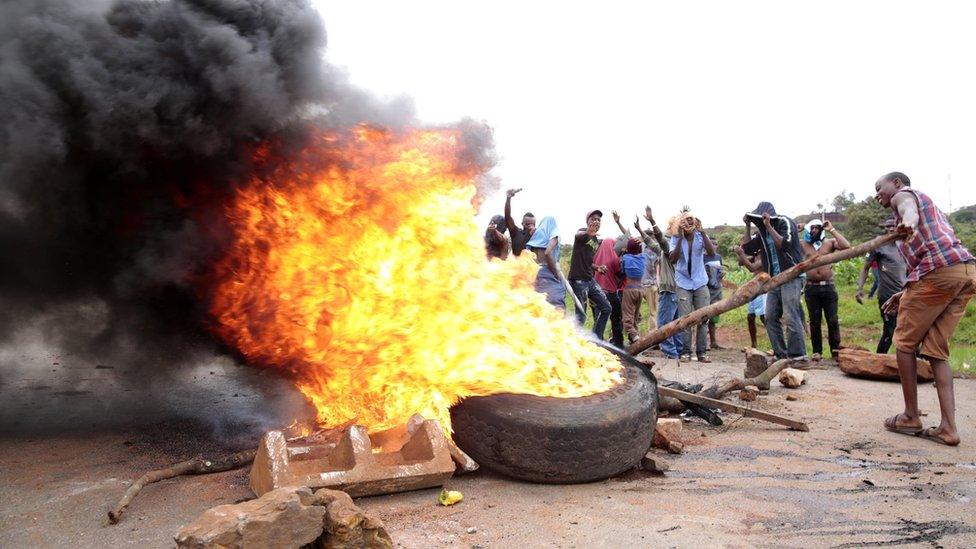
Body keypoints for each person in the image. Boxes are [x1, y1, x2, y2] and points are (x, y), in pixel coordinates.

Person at [875, 171, 973, 446]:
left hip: (939, 272)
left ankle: (910, 416)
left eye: (879, 187)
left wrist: (907, 222)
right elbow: (925, 263)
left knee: (905, 343)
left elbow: (908, 209)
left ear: (895, 183)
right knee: (936, 351)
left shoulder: (904, 196)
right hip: (964, 273)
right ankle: (948, 429)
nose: (877, 194)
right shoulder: (932, 209)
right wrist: (904, 292)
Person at [741, 202, 807, 360]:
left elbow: (785, 245)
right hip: (774, 278)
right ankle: (781, 355)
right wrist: (748, 226)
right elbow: (748, 249)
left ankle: (798, 356)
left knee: (791, 315)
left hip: (791, 275)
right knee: (770, 316)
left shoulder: (785, 222)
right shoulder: (761, 232)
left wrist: (769, 226)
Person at [799, 218, 851, 359]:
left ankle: (835, 351)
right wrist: (796, 230)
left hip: (828, 287)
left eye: (817, 228)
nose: (815, 230)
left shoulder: (829, 243)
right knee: (815, 321)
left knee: (832, 319)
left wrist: (832, 229)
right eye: (812, 228)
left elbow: (846, 246)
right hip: (811, 288)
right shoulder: (803, 244)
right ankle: (817, 352)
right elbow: (787, 247)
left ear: (821, 229)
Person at [636, 208, 683, 360]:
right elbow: (651, 242)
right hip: (674, 291)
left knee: (664, 323)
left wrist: (652, 221)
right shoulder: (665, 251)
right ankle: (678, 351)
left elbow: (660, 240)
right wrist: (639, 229)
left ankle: (671, 353)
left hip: (669, 291)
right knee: (676, 324)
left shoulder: (670, 248)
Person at [669, 209, 716, 362]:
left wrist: (702, 232)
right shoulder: (676, 238)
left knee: (703, 317)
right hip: (683, 282)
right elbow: (673, 259)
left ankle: (701, 352)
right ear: (681, 223)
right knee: (686, 318)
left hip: (700, 281)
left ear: (695, 222)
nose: (689, 223)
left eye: (691, 220)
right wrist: (681, 238)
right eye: (686, 220)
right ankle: (686, 352)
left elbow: (711, 253)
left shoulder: (700, 235)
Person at [856, 217, 906, 354]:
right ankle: (879, 362)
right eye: (888, 226)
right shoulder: (879, 246)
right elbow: (865, 268)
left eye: (894, 226)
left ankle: (917, 363)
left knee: (907, 331)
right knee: (891, 330)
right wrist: (859, 288)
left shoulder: (905, 245)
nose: (890, 229)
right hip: (887, 297)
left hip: (906, 295)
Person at [568, 210, 613, 336]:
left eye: (598, 219)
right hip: (578, 280)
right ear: (587, 221)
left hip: (589, 280)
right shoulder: (583, 233)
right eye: (593, 219)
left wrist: (597, 268)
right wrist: (588, 232)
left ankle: (596, 338)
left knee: (606, 308)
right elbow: (578, 235)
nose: (596, 221)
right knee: (581, 314)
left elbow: (587, 260)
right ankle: (574, 342)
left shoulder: (595, 240)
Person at [525, 216, 565, 310]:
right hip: (547, 272)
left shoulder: (535, 238)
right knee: (556, 305)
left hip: (534, 273)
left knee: (539, 305)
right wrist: (555, 274)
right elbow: (548, 252)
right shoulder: (554, 234)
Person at [594, 235, 626, 347]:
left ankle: (597, 343)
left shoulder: (596, 257)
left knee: (599, 320)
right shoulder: (614, 258)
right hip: (610, 292)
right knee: (616, 319)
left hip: (597, 292)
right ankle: (619, 344)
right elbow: (619, 273)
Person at [737, 247, 768, 349]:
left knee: (764, 317)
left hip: (763, 287)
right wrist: (742, 252)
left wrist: (741, 253)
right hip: (755, 287)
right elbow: (740, 263)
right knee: (750, 317)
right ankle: (754, 344)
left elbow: (752, 268)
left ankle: (775, 343)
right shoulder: (756, 254)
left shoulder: (765, 255)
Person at [620, 238, 646, 345]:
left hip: (629, 289)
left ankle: (635, 337)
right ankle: (634, 343)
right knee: (635, 316)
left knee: (627, 317)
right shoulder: (643, 258)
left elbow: (622, 271)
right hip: (640, 290)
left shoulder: (626, 258)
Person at [704, 241, 724, 350]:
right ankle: (705, 342)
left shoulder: (719, 257)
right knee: (705, 316)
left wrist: (721, 276)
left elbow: (719, 272)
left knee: (714, 316)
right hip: (706, 289)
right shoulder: (702, 257)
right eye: (711, 243)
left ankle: (713, 342)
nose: (713, 245)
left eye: (715, 243)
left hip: (717, 289)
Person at [503, 188, 536, 256]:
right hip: (516, 265)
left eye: (533, 224)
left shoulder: (538, 235)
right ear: (522, 224)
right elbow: (508, 217)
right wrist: (508, 199)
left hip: (531, 266)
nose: (530, 226)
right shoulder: (516, 232)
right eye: (527, 224)